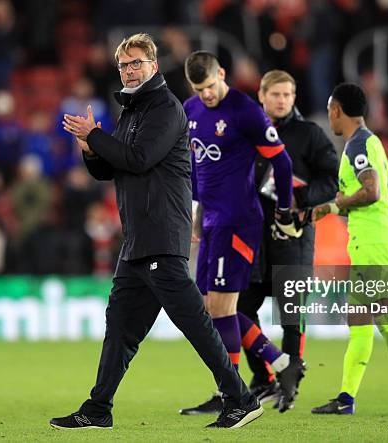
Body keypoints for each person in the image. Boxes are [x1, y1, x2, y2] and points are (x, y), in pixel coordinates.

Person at [53, 33, 263, 430]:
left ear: (152, 65)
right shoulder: (132, 111)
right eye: (123, 65)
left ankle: (240, 398)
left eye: (135, 63)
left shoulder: (166, 108)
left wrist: (97, 137)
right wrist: (88, 145)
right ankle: (98, 408)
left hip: (160, 236)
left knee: (195, 325)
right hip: (138, 240)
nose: (129, 71)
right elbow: (108, 168)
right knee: (120, 327)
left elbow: (138, 158)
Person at [179, 52, 305, 416]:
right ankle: (281, 363)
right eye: (198, 89)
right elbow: (198, 167)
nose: (206, 95)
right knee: (210, 306)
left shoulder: (245, 110)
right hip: (213, 219)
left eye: (210, 86)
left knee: (221, 308)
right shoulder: (191, 109)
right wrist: (197, 210)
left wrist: (283, 211)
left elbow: (282, 162)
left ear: (222, 73)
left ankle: (232, 395)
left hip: (238, 220)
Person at [310, 83, 388, 415]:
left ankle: (346, 399)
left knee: (361, 317)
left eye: (330, 111)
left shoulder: (357, 145)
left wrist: (339, 202)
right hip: (379, 238)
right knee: (386, 318)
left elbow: (372, 191)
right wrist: (333, 209)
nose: (330, 117)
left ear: (337, 110)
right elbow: (364, 194)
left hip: (373, 240)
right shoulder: (368, 141)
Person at [237, 70, 339, 411]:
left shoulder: (309, 134)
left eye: (288, 95)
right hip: (251, 238)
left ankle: (290, 375)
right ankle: (265, 376)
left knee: (291, 314)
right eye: (276, 94)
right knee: (239, 310)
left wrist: (302, 197)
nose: (282, 100)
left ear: (294, 98)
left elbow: (332, 181)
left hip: (293, 238)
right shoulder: (245, 132)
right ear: (261, 96)